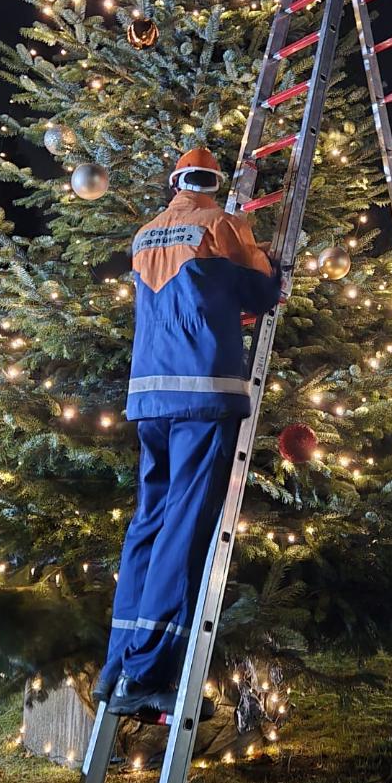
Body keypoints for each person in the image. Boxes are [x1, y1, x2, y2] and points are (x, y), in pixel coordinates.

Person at [95, 148, 282, 717]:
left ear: (175, 180)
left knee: (150, 520)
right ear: (214, 183)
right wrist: (269, 257)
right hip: (204, 389)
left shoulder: (145, 233)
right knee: (184, 525)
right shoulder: (223, 224)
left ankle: (116, 663)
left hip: (149, 397)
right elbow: (262, 295)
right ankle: (147, 671)